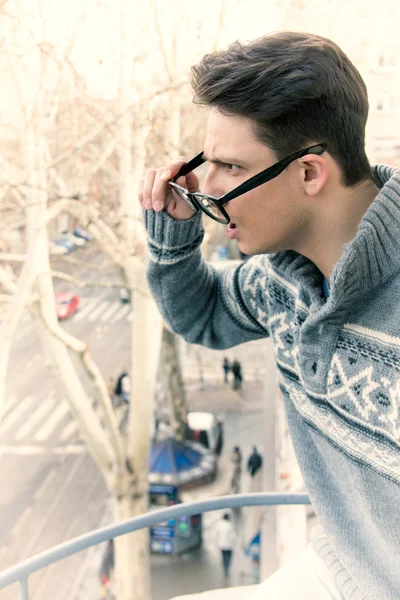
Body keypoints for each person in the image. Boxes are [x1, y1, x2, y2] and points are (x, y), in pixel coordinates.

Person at [139, 31, 399, 598]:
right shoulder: (281, 278)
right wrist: (173, 238)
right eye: (208, 161)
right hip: (337, 564)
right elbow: (203, 313)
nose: (205, 188)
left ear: (310, 174)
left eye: (230, 166)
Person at [215, 513, 236, 577]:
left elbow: (216, 534)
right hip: (229, 545)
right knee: (228, 558)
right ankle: (227, 569)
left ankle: (225, 569)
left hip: (221, 545)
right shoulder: (230, 525)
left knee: (223, 557)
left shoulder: (219, 525)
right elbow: (233, 536)